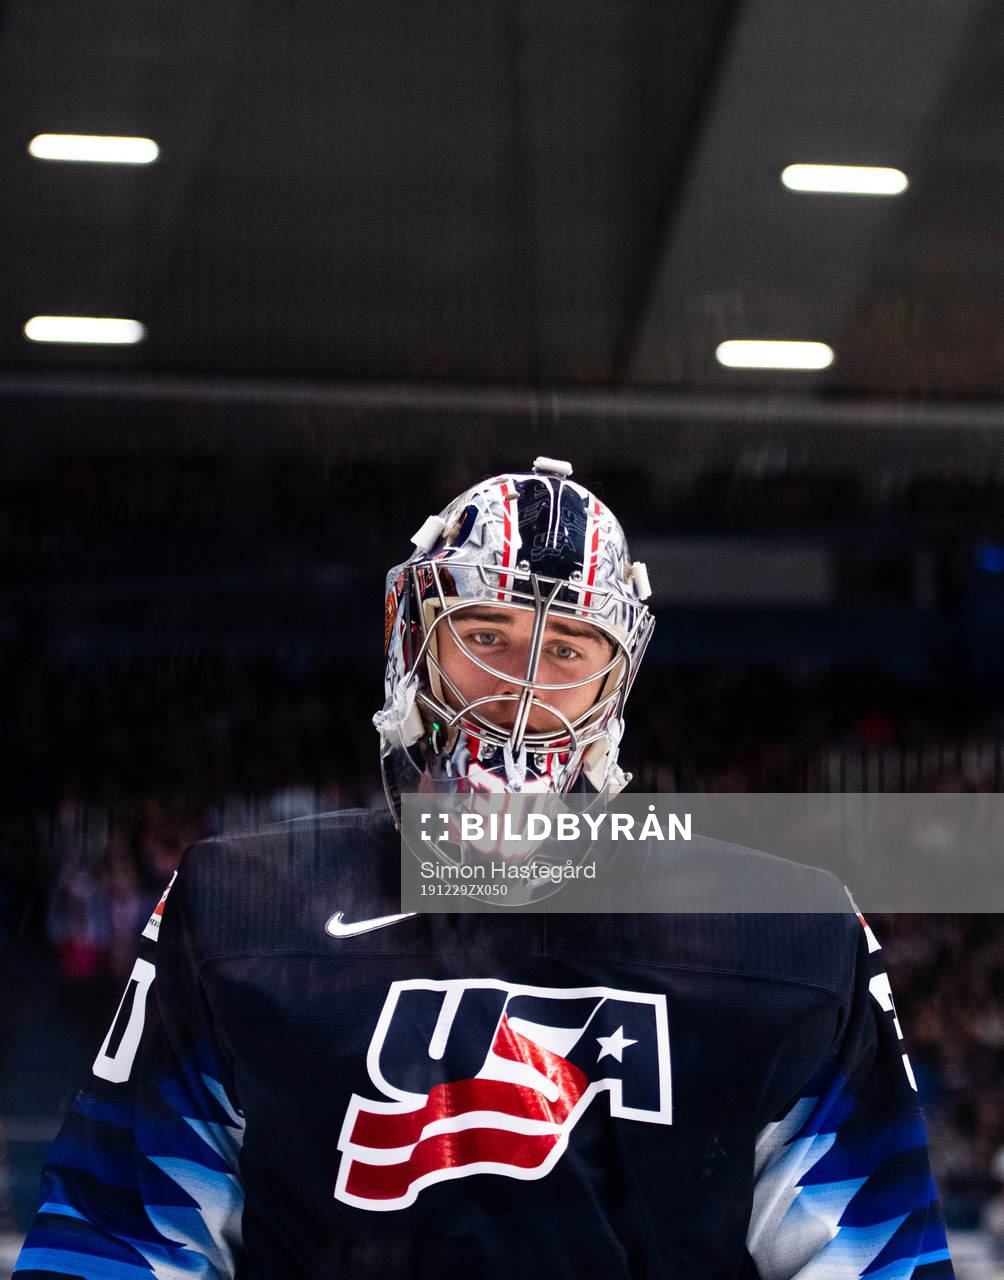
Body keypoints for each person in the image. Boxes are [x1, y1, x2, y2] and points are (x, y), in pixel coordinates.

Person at [14, 458, 953, 1278]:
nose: (521, 684)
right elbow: (119, 1237)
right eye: (487, 634)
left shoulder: (788, 931)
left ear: (614, 681)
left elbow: (870, 1254)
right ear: (413, 640)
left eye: (568, 648)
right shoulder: (238, 908)